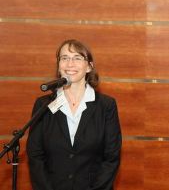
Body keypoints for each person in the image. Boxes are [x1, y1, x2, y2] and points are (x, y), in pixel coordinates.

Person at [27, 39, 122, 190]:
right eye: (64, 58)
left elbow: (111, 158)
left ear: (89, 66)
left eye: (77, 58)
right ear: (59, 65)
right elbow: (35, 156)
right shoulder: (43, 105)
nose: (70, 64)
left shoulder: (106, 106)